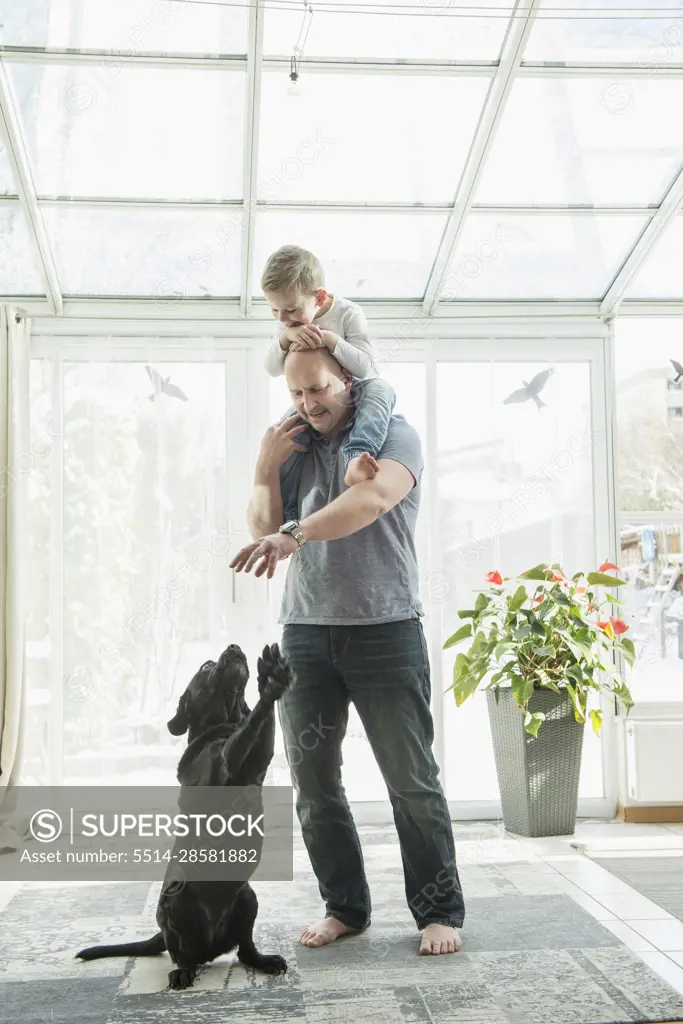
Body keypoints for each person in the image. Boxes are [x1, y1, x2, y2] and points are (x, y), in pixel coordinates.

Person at [229, 346, 465, 957]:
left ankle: (438, 911)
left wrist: (294, 533)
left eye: (319, 389)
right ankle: (346, 907)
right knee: (313, 783)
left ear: (348, 380)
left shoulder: (394, 435)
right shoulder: (294, 447)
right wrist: (263, 466)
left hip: (385, 628)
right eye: (297, 395)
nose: (309, 405)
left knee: (411, 780)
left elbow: (371, 502)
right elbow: (264, 528)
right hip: (305, 631)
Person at [261, 244, 396, 520]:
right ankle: (286, 513)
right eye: (274, 311)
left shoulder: (348, 314)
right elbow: (272, 368)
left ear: (319, 296)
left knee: (382, 388)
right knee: (284, 434)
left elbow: (366, 368)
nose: (283, 319)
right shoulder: (288, 324)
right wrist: (285, 340)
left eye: (290, 310)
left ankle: (356, 457)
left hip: (358, 389)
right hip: (312, 393)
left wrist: (331, 341)